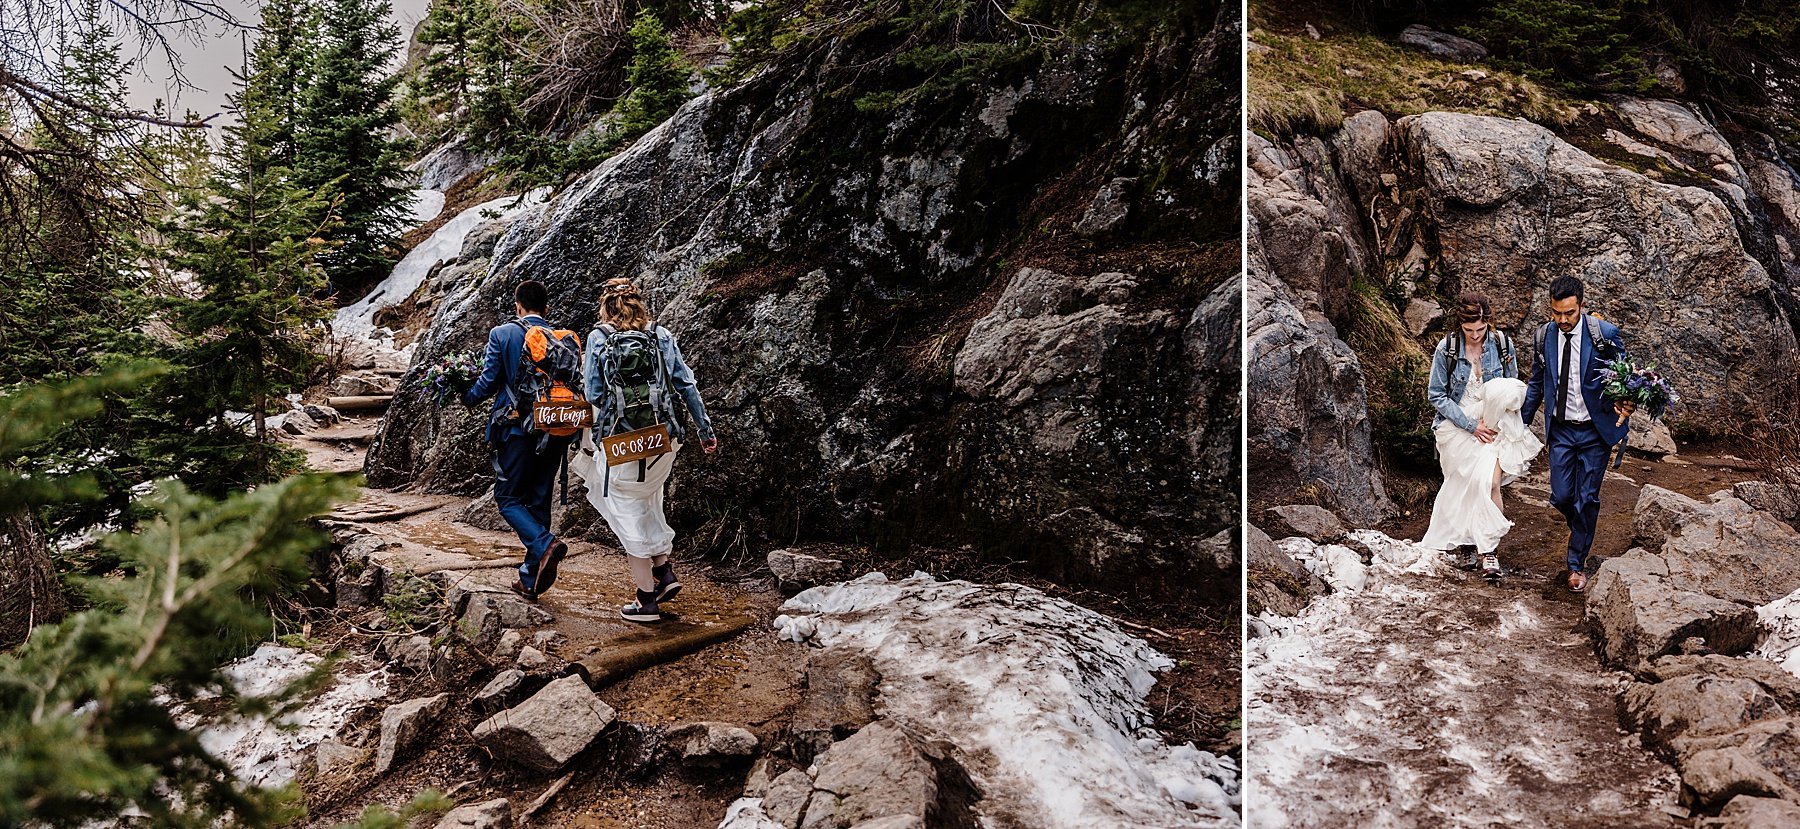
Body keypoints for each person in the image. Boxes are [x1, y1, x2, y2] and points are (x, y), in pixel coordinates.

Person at [570, 278, 717, 623]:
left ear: (606, 306)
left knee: (624, 508)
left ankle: (646, 599)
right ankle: (664, 573)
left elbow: (592, 393)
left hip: (619, 440)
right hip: (664, 437)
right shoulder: (661, 335)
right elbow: (686, 385)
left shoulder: (598, 338)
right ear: (640, 303)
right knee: (648, 498)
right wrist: (705, 429)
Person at [461, 280, 575, 602]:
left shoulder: (503, 334)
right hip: (554, 428)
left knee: (508, 498)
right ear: (547, 309)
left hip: (516, 429)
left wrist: (466, 396)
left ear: (517, 306)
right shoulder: (559, 339)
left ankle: (545, 545)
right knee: (539, 498)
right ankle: (530, 579)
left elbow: (487, 382)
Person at [1521, 275, 1635, 592]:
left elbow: (1627, 380)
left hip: (1594, 433)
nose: (1562, 320)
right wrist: (1520, 423)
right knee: (1561, 496)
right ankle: (1583, 529)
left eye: (1569, 313)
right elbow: (1536, 382)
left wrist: (1628, 403)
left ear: (1582, 307)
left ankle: (1576, 563)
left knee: (1586, 498)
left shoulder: (1605, 334)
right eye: (1556, 313)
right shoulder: (1544, 336)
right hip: (1560, 430)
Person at [1420, 293, 1542, 580]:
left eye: (1480, 329)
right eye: (1468, 330)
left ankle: (1488, 551)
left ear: (1488, 322)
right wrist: (1470, 425)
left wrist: (1500, 417)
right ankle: (1465, 542)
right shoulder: (1447, 349)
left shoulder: (1501, 344)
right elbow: (1436, 394)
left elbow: (1512, 387)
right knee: (1462, 483)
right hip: (1456, 425)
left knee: (1488, 481)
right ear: (1459, 325)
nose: (1475, 335)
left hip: (1493, 424)